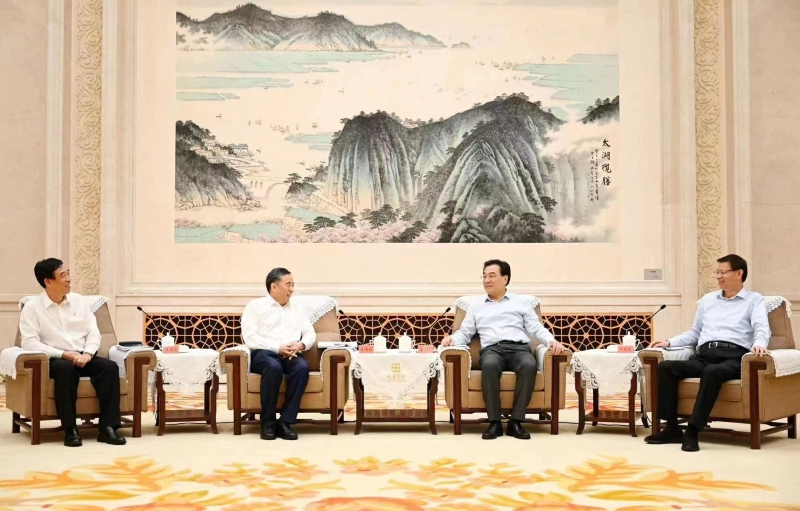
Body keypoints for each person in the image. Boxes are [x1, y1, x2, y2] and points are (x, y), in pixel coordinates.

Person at [646, 254, 771, 452]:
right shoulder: (708, 300)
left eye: (723, 272)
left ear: (739, 273)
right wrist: (669, 342)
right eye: (717, 272)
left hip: (733, 357)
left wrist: (759, 344)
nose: (718, 276)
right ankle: (671, 428)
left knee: (713, 372)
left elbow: (761, 328)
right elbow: (694, 333)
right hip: (704, 355)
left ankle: (693, 430)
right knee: (666, 367)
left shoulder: (753, 300)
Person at [442, 259, 565, 439]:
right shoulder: (476, 306)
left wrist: (551, 341)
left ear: (505, 279)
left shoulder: (521, 302)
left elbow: (536, 328)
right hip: (492, 350)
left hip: (519, 349)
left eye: (492, 276)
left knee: (529, 366)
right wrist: (452, 339)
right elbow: (465, 332)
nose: (487, 280)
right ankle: (495, 423)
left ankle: (516, 422)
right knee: (489, 366)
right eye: (484, 276)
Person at [18, 258, 126, 447]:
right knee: (65, 370)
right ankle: (70, 430)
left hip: (83, 355)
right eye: (63, 275)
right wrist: (64, 354)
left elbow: (94, 332)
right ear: (48, 281)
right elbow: (29, 343)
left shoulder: (79, 301)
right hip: (55, 358)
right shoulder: (32, 308)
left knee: (109, 367)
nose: (69, 279)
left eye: (68, 273)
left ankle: (107, 428)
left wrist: (88, 353)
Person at [241, 267, 316, 440]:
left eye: (293, 285)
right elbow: (250, 337)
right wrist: (277, 347)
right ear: (274, 286)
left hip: (291, 353)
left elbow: (309, 332)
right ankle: (267, 423)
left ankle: (285, 422)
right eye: (288, 285)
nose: (292, 289)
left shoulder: (296, 308)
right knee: (273, 368)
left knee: (302, 367)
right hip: (264, 353)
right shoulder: (255, 306)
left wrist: (301, 344)